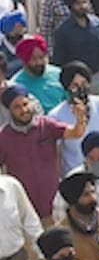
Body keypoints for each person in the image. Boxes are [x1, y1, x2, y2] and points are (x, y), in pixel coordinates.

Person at [0, 83, 88, 221]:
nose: (24, 110)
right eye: (17, 107)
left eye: (25, 104)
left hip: (54, 208)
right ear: (9, 110)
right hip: (25, 214)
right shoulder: (3, 137)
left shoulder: (46, 125)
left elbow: (76, 133)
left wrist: (80, 118)